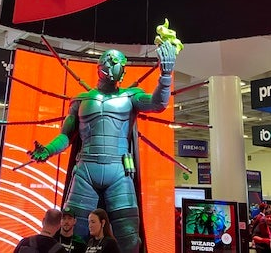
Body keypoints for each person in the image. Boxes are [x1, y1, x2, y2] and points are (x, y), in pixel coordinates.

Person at [30, 38, 178, 253]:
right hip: (86, 171)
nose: (116, 67)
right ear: (101, 67)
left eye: (119, 63)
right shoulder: (81, 100)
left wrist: (165, 75)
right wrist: (48, 150)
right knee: (73, 233)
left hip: (119, 171)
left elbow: (158, 103)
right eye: (112, 62)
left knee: (128, 236)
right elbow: (66, 136)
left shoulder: (131, 97)